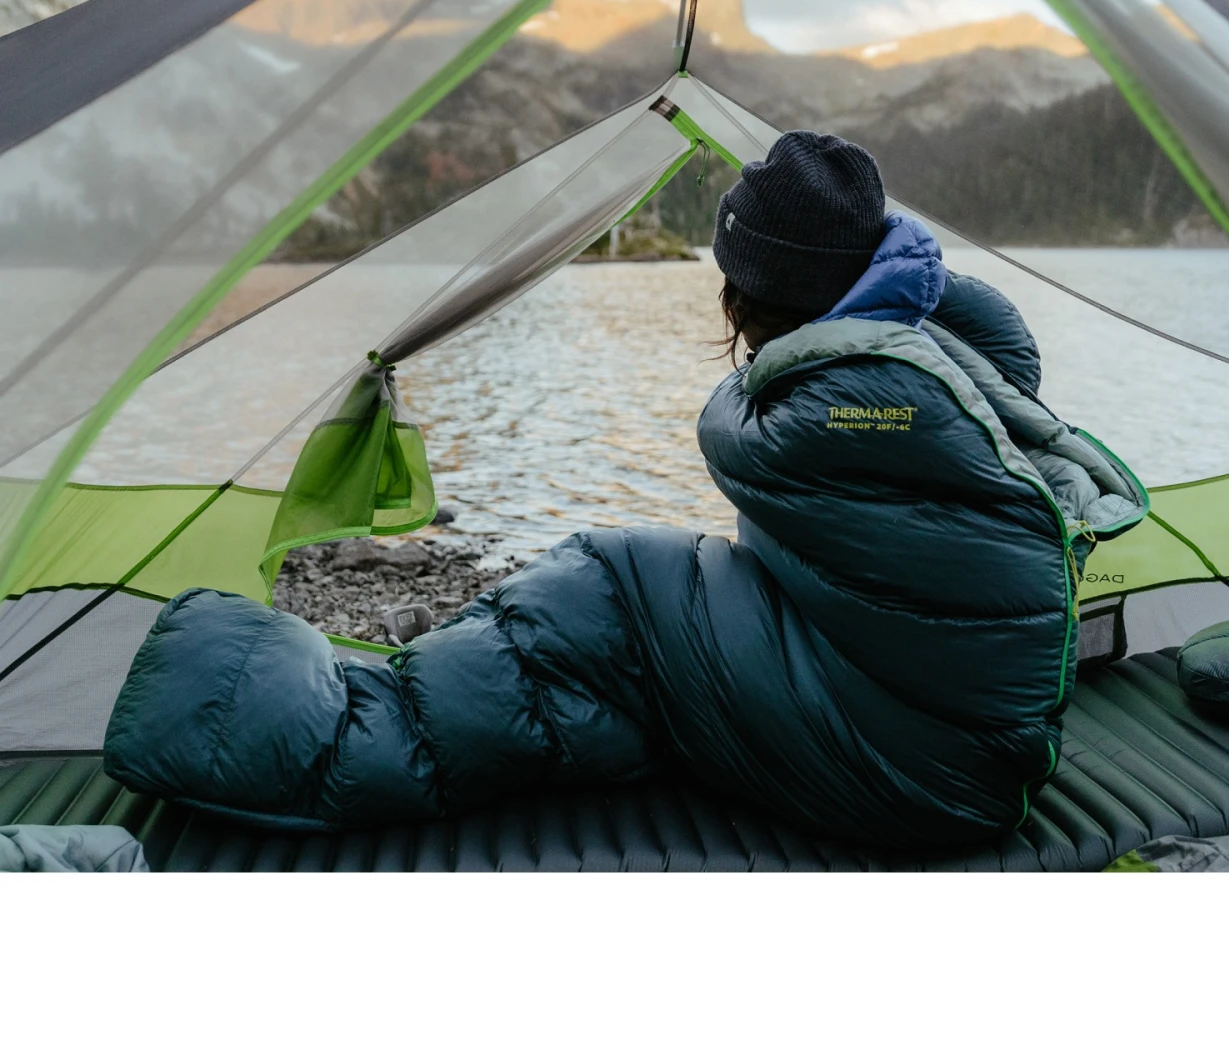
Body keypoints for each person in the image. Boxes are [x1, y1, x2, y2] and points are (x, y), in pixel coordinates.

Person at [104, 133, 1145, 848]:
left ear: (759, 291)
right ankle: (421, 678)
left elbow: (734, 430)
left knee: (610, 586)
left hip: (917, 776)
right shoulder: (934, 358)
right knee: (608, 672)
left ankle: (292, 730)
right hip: (953, 743)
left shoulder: (857, 400)